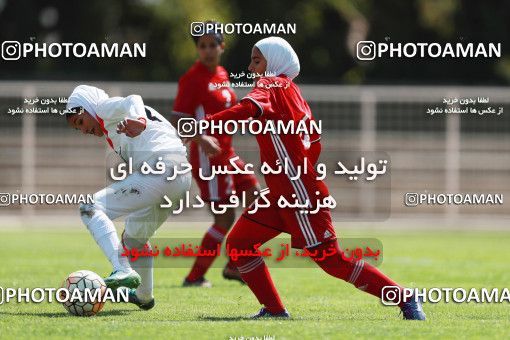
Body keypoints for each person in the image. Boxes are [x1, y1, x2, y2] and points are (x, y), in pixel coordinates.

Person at [198, 36, 426, 320]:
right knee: (239, 244)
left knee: (332, 261)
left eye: (257, 60)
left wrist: (205, 124)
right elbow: (314, 143)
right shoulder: (292, 91)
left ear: (274, 62)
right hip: (285, 190)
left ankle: (404, 296)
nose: (251, 67)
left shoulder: (271, 84)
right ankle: (274, 310)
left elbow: (248, 109)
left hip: (296, 193)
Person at [66, 85, 192, 310]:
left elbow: (133, 98)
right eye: (77, 128)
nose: (83, 130)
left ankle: (121, 268)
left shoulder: (103, 108)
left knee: (89, 206)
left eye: (80, 122)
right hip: (180, 175)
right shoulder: (111, 124)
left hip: (161, 169)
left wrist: (139, 121)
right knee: (134, 239)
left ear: (87, 107)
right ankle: (144, 296)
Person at [170, 22, 260, 287]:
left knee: (258, 201)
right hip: (207, 159)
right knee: (225, 216)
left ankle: (235, 264)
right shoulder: (192, 78)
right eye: (202, 46)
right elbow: (177, 119)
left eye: (212, 45)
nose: (208, 50)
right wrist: (201, 137)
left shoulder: (221, 73)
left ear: (222, 46)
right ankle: (195, 276)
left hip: (228, 154)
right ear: (197, 49)